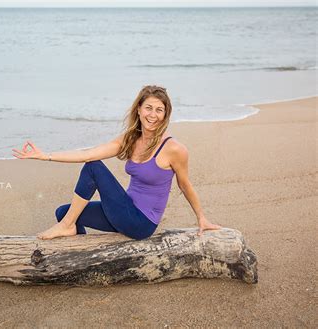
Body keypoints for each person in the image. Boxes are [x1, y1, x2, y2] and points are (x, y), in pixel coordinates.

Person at [12, 85, 222, 240]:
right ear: (138, 109)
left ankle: (66, 226)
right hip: (124, 210)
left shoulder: (174, 148)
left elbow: (185, 185)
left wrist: (201, 218)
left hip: (141, 222)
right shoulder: (129, 140)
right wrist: (45, 155)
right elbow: (89, 153)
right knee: (63, 212)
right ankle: (76, 246)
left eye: (159, 110)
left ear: (165, 114)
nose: (153, 115)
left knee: (94, 167)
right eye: (148, 108)